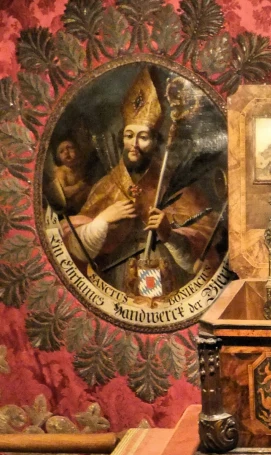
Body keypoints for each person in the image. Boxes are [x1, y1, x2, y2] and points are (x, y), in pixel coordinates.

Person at [64, 68, 216, 297]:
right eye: (128, 135)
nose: (134, 143)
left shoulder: (174, 184)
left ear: (156, 142)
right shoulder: (107, 185)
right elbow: (77, 249)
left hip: (164, 271)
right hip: (116, 279)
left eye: (143, 137)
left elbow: (203, 248)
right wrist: (103, 220)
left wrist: (170, 235)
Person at [51, 139, 91, 211]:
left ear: (78, 151)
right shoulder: (61, 171)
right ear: (59, 158)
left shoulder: (81, 166)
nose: (66, 152)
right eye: (61, 151)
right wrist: (79, 186)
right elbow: (63, 193)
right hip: (73, 209)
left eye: (70, 148)